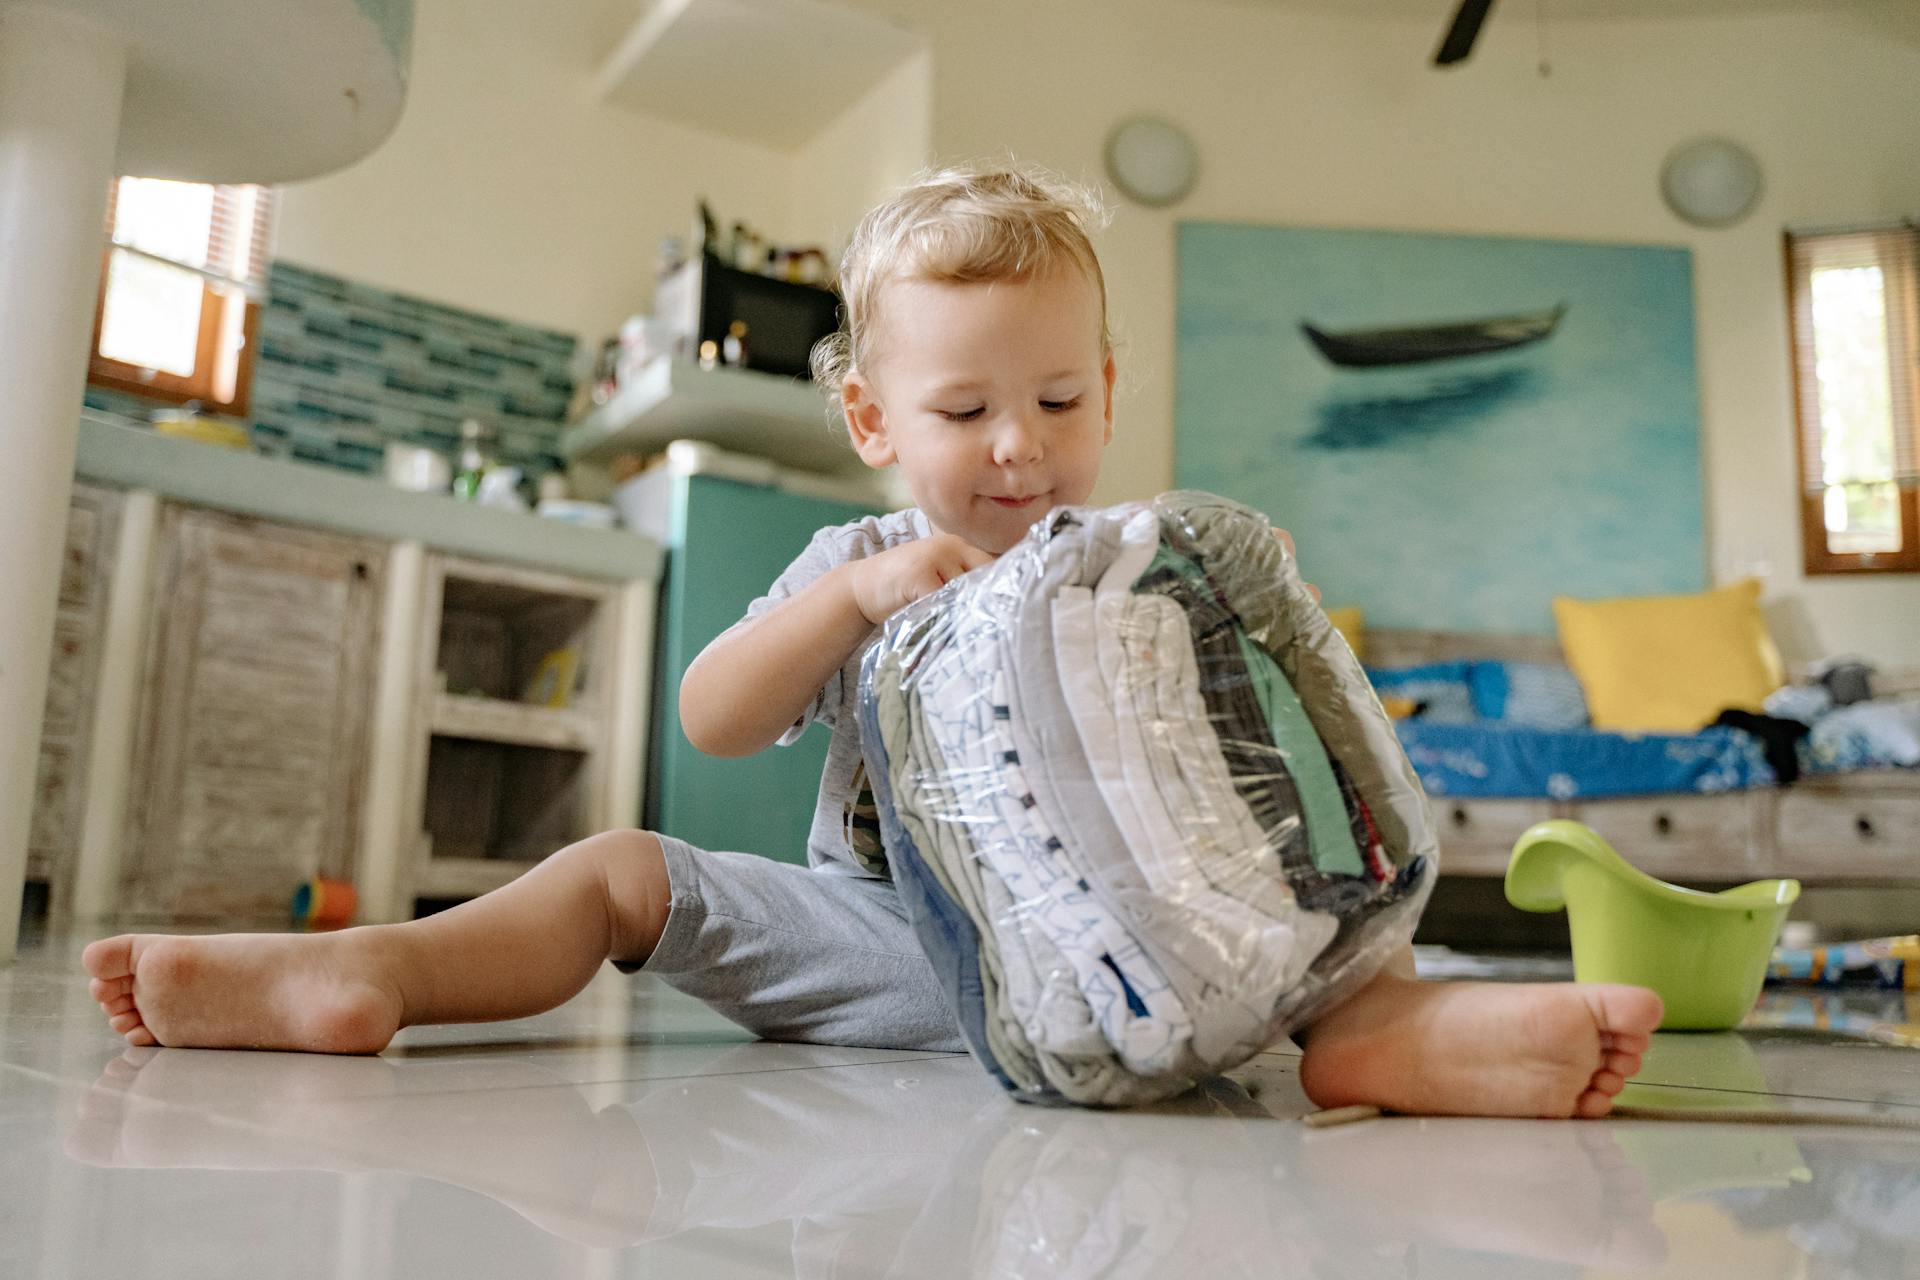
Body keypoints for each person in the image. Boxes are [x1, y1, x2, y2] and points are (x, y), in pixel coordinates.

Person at [83, 162, 1662, 1117]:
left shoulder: (1127, 570)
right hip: (898, 950)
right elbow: (710, 717)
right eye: (964, 410)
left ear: (1106, 391)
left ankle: (1385, 1043)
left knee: (1312, 950)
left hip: (1128, 957)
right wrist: (841, 605)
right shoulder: (863, 562)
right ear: (868, 416)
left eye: (1056, 403)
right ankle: (370, 974)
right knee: (625, 866)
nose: (1016, 449)